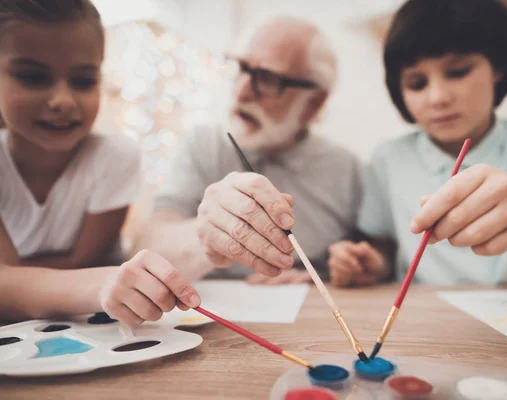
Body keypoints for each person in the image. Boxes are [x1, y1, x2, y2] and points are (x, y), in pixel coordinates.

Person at [327, 0, 507, 288]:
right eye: (417, 83)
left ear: (499, 68)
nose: (438, 98)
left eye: (457, 72)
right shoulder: (389, 158)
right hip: (432, 321)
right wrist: (369, 262)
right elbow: (381, 242)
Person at [0, 0, 200, 324]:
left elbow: (81, 262)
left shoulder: (116, 157)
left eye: (83, 81)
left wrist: (17, 282)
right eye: (33, 77)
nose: (63, 100)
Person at [136, 17, 363, 284]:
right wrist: (208, 233)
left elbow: (370, 259)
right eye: (241, 67)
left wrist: (329, 274)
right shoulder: (202, 145)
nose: (242, 92)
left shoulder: (346, 169)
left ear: (314, 102)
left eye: (267, 79)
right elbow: (149, 246)